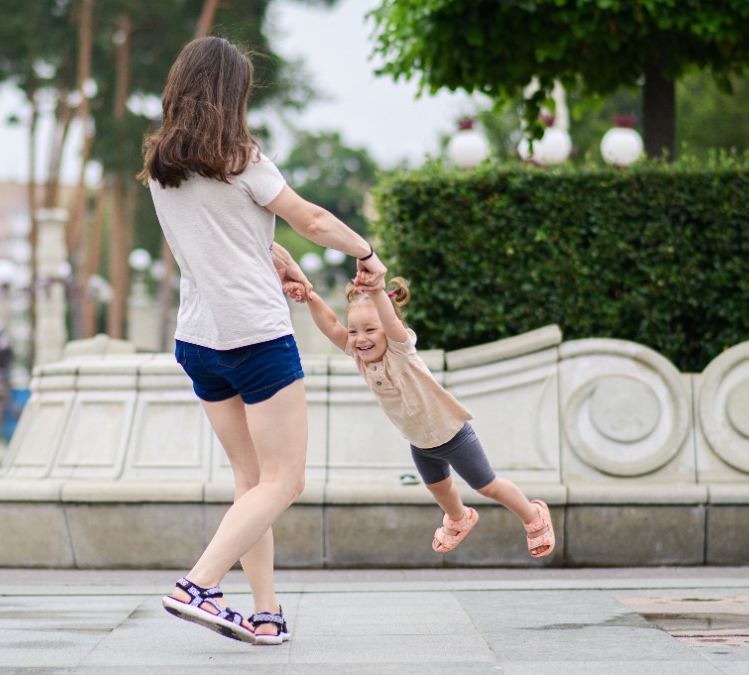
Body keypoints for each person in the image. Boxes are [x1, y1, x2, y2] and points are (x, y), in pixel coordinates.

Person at [139, 35, 386, 645]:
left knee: (254, 483)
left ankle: (266, 611)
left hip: (199, 338)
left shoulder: (160, 166)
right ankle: (198, 585)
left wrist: (273, 257)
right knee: (286, 481)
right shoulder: (240, 155)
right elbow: (313, 219)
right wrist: (367, 252)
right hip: (255, 334)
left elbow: (217, 235)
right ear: (232, 94)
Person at [302, 277, 555, 559]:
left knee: (486, 486)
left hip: (452, 434)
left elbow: (390, 321)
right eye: (354, 332)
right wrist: (310, 295)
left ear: (388, 328)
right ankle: (459, 518)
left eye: (371, 330)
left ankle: (534, 516)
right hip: (420, 442)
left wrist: (376, 293)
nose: (361, 338)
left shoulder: (400, 348)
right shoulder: (361, 357)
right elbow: (330, 326)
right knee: (439, 489)